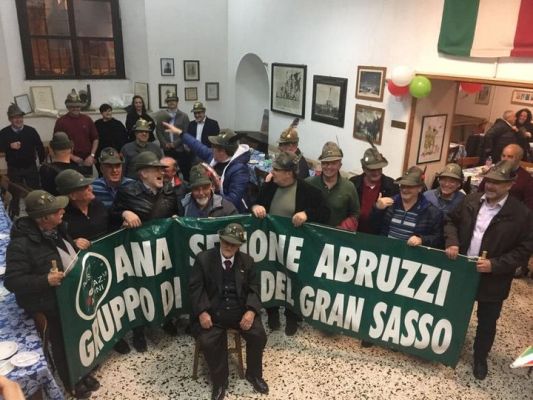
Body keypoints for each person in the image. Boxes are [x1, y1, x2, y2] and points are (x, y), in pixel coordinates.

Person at [4, 190, 100, 399]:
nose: (62, 211)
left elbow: (57, 252)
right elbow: (12, 281)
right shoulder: (20, 245)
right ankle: (71, 382)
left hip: (70, 296)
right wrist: (44, 280)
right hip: (47, 303)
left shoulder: (57, 229)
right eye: (56, 210)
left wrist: (74, 244)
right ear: (43, 218)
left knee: (78, 335)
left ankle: (83, 372)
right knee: (63, 342)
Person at [444, 160, 533, 380]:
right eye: (490, 181)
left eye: (498, 183)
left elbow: (525, 250)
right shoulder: (471, 200)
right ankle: (446, 347)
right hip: (463, 272)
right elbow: (450, 221)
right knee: (454, 311)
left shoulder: (522, 214)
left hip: (494, 279)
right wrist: (452, 241)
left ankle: (480, 358)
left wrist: (495, 265)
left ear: (510, 185)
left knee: (487, 321)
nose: (491, 186)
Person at [251, 151, 329, 335]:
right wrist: (256, 207)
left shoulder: (307, 190)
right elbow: (255, 203)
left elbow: (325, 212)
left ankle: (292, 315)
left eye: (276, 169)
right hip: (271, 244)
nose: (272, 172)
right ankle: (272, 312)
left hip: (295, 247)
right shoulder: (269, 186)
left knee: (293, 280)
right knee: (271, 275)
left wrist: (307, 214)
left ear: (288, 173)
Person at [111, 151, 183, 350]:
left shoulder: (169, 190)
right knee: (141, 289)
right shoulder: (128, 192)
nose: (162, 173)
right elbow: (112, 216)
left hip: (164, 250)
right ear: (143, 173)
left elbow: (178, 213)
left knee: (165, 284)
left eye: (162, 169)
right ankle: (139, 331)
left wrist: (177, 219)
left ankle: (167, 319)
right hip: (139, 253)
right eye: (156, 170)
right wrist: (124, 213)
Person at [189, 222, 268, 400]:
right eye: (226, 241)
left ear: (239, 245)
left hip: (240, 312)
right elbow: (195, 289)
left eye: (233, 244)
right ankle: (219, 381)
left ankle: (254, 374)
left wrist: (251, 312)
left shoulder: (247, 261)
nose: (229, 246)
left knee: (258, 335)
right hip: (212, 314)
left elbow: (255, 288)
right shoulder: (204, 259)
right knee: (209, 341)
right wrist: (202, 312)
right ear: (221, 239)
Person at [164, 123, 251, 213]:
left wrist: (209, 197)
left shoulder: (240, 170)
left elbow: (233, 200)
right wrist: (180, 133)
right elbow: (197, 146)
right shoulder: (214, 156)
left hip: (229, 210)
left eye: (214, 147)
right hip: (210, 201)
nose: (211, 149)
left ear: (223, 151)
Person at [373, 166, 443, 248]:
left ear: (420, 188)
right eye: (403, 186)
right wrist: (377, 208)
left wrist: (422, 240)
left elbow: (439, 239)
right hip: (386, 252)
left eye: (410, 186)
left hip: (410, 258)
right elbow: (373, 227)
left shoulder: (431, 212)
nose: (405, 190)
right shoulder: (389, 204)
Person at [0, 103, 45, 218]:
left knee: (34, 193)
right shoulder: (4, 133)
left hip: (30, 167)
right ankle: (13, 217)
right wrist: (9, 146)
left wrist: (42, 161)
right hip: (14, 168)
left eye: (20, 117)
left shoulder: (31, 131)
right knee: (14, 194)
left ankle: (37, 215)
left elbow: (39, 146)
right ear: (10, 119)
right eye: (15, 117)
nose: (18, 120)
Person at [306, 142, 359, 230]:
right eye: (325, 163)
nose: (329, 167)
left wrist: (345, 226)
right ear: (321, 164)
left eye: (333, 163)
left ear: (340, 165)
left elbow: (355, 213)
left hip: (336, 239)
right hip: (310, 236)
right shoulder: (309, 183)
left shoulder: (349, 187)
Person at [349, 147, 399, 234]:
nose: (376, 172)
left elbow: (396, 215)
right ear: (364, 168)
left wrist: (379, 209)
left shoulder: (392, 186)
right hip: (354, 233)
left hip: (379, 237)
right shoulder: (353, 183)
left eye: (379, 168)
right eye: (372, 169)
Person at [53, 89, 98, 176]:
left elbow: (95, 139)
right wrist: (72, 157)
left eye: (77, 106)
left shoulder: (87, 119)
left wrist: (92, 156)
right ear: (68, 107)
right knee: (72, 186)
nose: (75, 108)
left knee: (87, 184)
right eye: (72, 106)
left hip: (87, 161)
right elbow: (57, 145)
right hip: (68, 161)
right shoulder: (61, 121)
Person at [479, 144, 533, 211]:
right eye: (503, 156)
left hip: (512, 214)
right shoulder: (493, 171)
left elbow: (529, 207)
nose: (505, 159)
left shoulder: (526, 179)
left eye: (510, 157)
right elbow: (480, 191)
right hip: (487, 208)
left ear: (519, 158)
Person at [155, 92, 191, 179]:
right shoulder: (161, 115)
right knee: (170, 172)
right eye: (169, 101)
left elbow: (185, 132)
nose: (171, 102)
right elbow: (158, 131)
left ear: (177, 102)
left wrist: (174, 144)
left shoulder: (184, 116)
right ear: (167, 103)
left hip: (180, 148)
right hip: (167, 148)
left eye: (174, 100)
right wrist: (165, 143)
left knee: (184, 171)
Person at [39, 132, 80, 196]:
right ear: (72, 149)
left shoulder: (45, 169)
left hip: (54, 204)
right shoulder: (77, 171)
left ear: (51, 150)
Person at [94, 103, 128, 173]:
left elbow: (124, 139)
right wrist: (94, 156)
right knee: (102, 173)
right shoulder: (97, 124)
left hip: (116, 155)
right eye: (105, 111)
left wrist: (121, 152)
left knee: (115, 172)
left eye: (109, 111)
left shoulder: (118, 124)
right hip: (101, 155)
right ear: (101, 113)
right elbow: (93, 139)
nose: (108, 113)